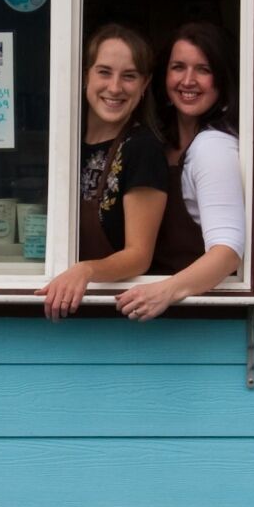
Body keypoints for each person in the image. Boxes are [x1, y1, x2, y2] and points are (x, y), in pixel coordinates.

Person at [115, 22, 245, 321]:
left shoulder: (213, 146)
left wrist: (167, 291)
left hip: (197, 322)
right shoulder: (161, 143)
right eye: (178, 67)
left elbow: (227, 251)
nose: (188, 80)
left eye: (203, 69)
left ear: (222, 78)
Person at [38, 24, 168, 320]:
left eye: (129, 76)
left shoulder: (141, 149)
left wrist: (86, 270)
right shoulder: (63, 142)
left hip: (112, 315)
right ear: (85, 75)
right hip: (54, 306)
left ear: (145, 84)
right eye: (104, 72)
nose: (115, 87)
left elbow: (138, 256)